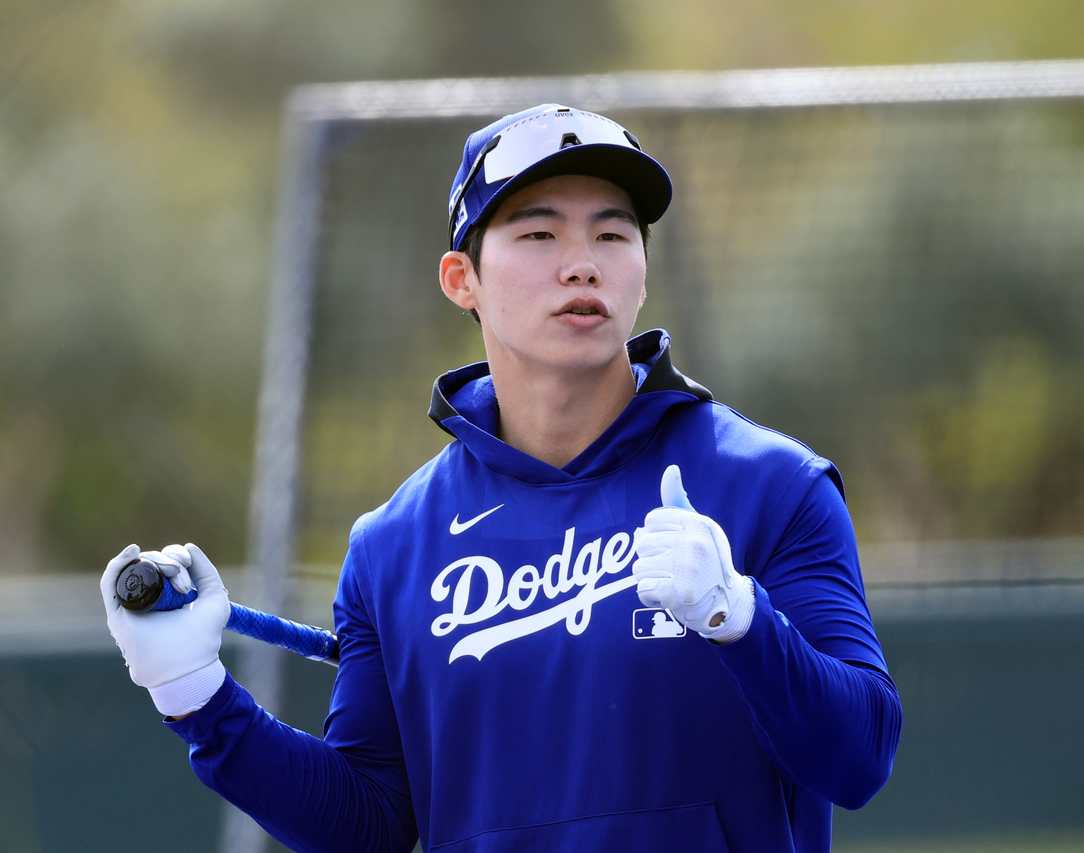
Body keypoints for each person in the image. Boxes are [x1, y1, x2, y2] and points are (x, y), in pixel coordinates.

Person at [101, 104, 902, 853]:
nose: (583, 265)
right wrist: (198, 695)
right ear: (462, 279)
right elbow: (370, 822)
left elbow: (860, 758)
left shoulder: (773, 486)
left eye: (613, 236)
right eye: (539, 235)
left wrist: (744, 621)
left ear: (642, 272)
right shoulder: (392, 546)